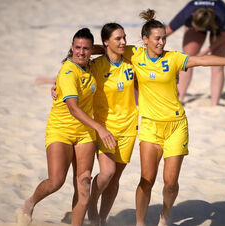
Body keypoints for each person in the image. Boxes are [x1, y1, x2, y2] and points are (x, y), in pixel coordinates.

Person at [122, 9, 225, 226]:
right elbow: (108, 48)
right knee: (146, 180)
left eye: (164, 37)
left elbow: (201, 60)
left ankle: (164, 215)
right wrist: (82, 51)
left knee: (170, 182)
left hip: (176, 126)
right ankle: (140, 223)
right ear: (145, 40)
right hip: (150, 126)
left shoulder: (173, 58)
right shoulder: (134, 54)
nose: (162, 42)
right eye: (157, 38)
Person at [16, 28, 116, 226]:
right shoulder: (69, 72)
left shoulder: (88, 64)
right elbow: (73, 109)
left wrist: (101, 48)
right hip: (61, 130)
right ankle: (30, 203)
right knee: (56, 181)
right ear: (71, 48)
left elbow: (105, 49)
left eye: (86, 49)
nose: (81, 52)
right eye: (77, 48)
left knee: (84, 185)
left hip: (84, 133)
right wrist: (100, 128)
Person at [87, 23, 138, 226]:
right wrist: (56, 86)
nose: (123, 42)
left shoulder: (130, 62)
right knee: (106, 172)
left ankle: (102, 219)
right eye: (118, 38)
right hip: (105, 126)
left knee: (115, 178)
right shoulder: (96, 65)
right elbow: (76, 74)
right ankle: (91, 201)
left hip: (129, 127)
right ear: (106, 41)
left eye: (124, 37)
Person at [165, 0, 225, 106]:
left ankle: (215, 104)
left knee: (217, 65)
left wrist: (206, 51)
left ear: (207, 26)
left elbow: (224, 35)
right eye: (193, 26)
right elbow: (167, 31)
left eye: (197, 28)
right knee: (187, 60)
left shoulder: (221, 16)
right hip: (200, 16)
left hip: (219, 28)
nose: (194, 29)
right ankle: (179, 99)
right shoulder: (187, 13)